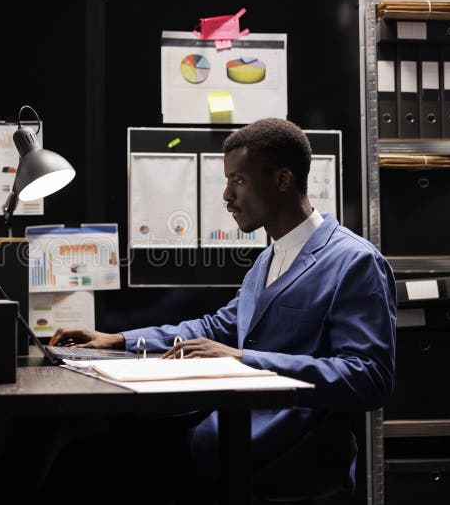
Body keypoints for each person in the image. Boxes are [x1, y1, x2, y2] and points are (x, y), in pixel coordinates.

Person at [48, 118, 397, 500]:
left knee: (83, 470)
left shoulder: (354, 261)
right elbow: (219, 326)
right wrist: (118, 339)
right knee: (77, 457)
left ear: (282, 180)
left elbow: (370, 378)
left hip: (283, 449)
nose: (226, 195)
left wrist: (244, 360)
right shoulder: (267, 260)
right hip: (226, 430)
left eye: (239, 181)